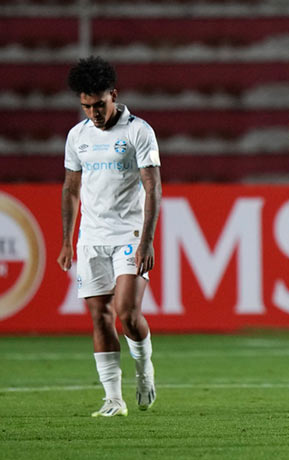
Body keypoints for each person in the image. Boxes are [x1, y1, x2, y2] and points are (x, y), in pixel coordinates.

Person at [58, 56, 161, 417]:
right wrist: (66, 240)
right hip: (91, 238)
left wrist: (147, 241)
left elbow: (153, 189)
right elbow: (71, 190)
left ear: (113, 95)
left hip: (130, 234)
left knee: (127, 314)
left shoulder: (138, 132)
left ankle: (144, 369)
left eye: (99, 105)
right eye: (86, 106)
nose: (93, 113)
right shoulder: (78, 136)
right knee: (99, 315)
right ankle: (114, 399)